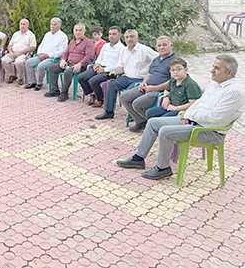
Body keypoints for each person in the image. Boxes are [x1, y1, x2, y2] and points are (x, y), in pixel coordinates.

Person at [117, 55, 245, 180]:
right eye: (213, 66)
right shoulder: (215, 84)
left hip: (209, 131)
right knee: (152, 122)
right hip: (194, 122)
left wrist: (189, 114)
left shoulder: (234, 91)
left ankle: (162, 168)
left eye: (216, 68)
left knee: (165, 131)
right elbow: (198, 103)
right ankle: (138, 158)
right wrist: (187, 114)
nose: (212, 70)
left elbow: (215, 117)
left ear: (229, 72)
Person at [95, 30, 158, 120]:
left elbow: (159, 59)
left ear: (137, 38)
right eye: (127, 37)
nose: (129, 39)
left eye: (132, 37)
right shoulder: (124, 51)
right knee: (111, 85)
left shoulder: (144, 50)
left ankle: (134, 114)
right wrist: (114, 72)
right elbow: (122, 68)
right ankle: (108, 112)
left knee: (128, 93)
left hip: (139, 79)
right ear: (124, 39)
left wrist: (153, 72)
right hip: (126, 77)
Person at [120, 36, 177, 132]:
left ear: (171, 46)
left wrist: (155, 88)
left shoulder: (175, 61)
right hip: (147, 87)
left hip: (160, 91)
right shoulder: (156, 59)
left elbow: (173, 80)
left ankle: (152, 124)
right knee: (124, 97)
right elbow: (149, 74)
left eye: (164, 45)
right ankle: (141, 121)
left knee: (137, 104)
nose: (161, 47)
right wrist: (143, 83)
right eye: (159, 45)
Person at [45, 23, 95, 102]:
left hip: (80, 66)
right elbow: (66, 53)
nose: (78, 32)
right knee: (52, 68)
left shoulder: (88, 43)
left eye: (80, 30)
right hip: (68, 63)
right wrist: (63, 60)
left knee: (67, 72)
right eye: (76, 30)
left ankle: (64, 93)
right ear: (73, 31)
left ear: (84, 32)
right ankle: (55, 90)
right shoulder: (72, 42)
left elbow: (89, 56)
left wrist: (80, 64)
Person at [78, 26, 124, 108]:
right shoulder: (106, 46)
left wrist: (104, 69)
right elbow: (99, 58)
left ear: (120, 35)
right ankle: (93, 93)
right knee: (81, 77)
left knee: (93, 81)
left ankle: (101, 99)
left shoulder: (122, 49)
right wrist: (97, 64)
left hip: (110, 71)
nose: (111, 36)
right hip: (100, 67)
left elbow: (119, 66)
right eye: (110, 34)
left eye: (114, 34)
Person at [24, 18, 68, 91]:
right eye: (51, 24)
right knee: (28, 62)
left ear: (60, 26)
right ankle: (32, 82)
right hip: (42, 56)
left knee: (41, 66)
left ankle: (39, 83)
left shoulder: (63, 37)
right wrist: (39, 53)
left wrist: (48, 55)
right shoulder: (47, 34)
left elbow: (62, 51)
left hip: (52, 58)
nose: (52, 26)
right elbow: (41, 45)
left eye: (55, 25)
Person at [1, 19, 37, 85]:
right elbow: (10, 45)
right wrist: (10, 52)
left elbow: (32, 47)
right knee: (3, 60)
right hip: (13, 53)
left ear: (28, 25)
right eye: (21, 24)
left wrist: (20, 53)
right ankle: (11, 75)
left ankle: (20, 78)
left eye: (24, 24)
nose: (22, 26)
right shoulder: (16, 34)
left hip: (24, 54)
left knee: (18, 62)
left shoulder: (30, 35)